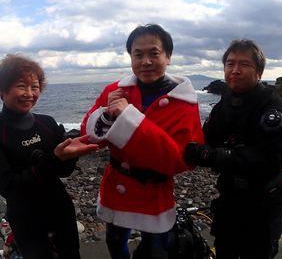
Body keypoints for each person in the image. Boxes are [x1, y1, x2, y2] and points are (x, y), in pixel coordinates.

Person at [80, 23, 204, 259]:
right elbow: (89, 135)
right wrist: (108, 113)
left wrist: (127, 116)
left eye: (154, 53)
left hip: (154, 190)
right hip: (117, 186)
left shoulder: (184, 103)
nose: (145, 61)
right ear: (131, 58)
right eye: (138, 54)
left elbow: (178, 160)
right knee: (115, 246)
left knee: (156, 253)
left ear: (168, 56)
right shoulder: (115, 90)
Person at [183, 38, 282, 259]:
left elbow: (266, 158)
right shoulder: (227, 101)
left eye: (244, 64)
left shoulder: (274, 110)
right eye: (230, 64)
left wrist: (213, 156)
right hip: (230, 199)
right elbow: (206, 137)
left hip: (263, 205)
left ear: (259, 72)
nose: (235, 70)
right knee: (225, 250)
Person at [0, 54, 99, 259]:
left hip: (60, 208)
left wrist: (71, 154)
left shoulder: (46, 122)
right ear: (2, 90)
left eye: (34, 87)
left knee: (72, 255)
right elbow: (8, 186)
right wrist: (55, 159)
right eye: (21, 86)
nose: (29, 94)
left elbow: (63, 171)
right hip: (26, 217)